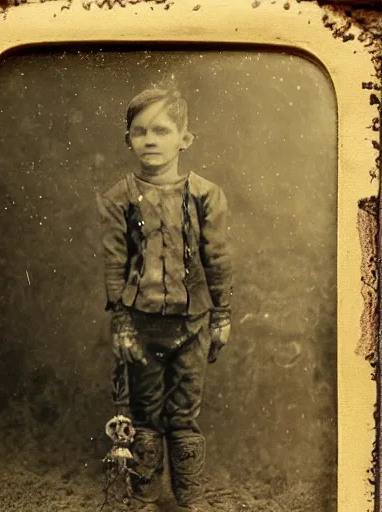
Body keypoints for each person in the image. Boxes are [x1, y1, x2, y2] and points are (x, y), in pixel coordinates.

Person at [99, 88, 233, 511]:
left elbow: (218, 258)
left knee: (184, 413)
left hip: (193, 325)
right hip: (141, 327)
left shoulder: (206, 195)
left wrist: (222, 316)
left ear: (184, 139)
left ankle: (190, 499)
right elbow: (114, 262)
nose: (150, 140)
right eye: (140, 132)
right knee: (144, 413)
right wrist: (121, 322)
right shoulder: (118, 197)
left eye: (162, 130)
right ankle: (144, 497)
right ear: (128, 140)